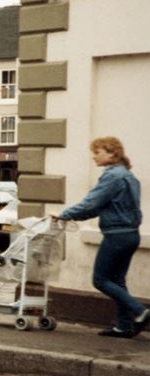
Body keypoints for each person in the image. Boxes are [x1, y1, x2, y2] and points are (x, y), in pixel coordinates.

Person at [55, 137, 146, 338]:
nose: (93, 156)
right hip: (131, 235)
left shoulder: (112, 176)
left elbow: (91, 202)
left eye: (97, 152)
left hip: (116, 236)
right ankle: (123, 326)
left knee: (100, 280)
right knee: (117, 280)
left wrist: (65, 214)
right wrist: (75, 216)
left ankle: (140, 310)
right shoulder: (129, 177)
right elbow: (101, 207)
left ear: (112, 153)